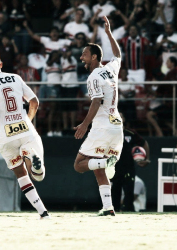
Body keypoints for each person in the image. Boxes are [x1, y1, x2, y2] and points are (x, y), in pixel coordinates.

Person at [0, 49, 49, 219]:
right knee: (38, 176)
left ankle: (43, 212)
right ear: (1, 64)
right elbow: (34, 102)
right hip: (25, 129)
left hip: (5, 136)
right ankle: (33, 160)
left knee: (21, 175)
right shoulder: (16, 78)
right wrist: (28, 120)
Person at [73, 16, 123, 216]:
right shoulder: (110, 69)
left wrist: (85, 124)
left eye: (84, 54)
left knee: (79, 165)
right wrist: (109, 34)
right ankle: (108, 207)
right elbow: (118, 54)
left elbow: (96, 101)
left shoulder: (93, 77)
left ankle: (106, 162)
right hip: (116, 124)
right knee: (98, 168)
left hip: (102, 126)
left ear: (94, 57)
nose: (81, 57)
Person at [112, 113, 150, 212]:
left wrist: (146, 158)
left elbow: (144, 143)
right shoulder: (109, 134)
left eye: (121, 116)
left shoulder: (130, 133)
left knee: (129, 195)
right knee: (114, 195)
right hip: (114, 168)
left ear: (124, 119)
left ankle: (129, 213)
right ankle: (113, 214)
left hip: (128, 168)